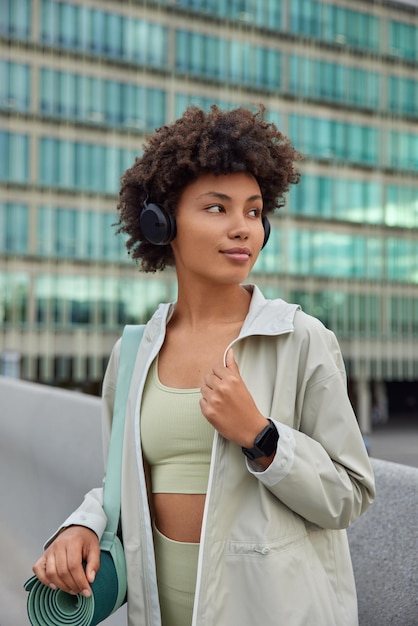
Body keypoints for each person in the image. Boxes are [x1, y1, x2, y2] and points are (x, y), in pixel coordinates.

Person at [33, 105, 375, 626]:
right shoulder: (134, 351)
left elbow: (350, 494)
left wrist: (262, 438)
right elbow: (122, 483)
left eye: (254, 211)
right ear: (161, 221)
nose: (242, 228)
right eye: (217, 208)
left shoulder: (301, 339)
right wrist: (82, 525)